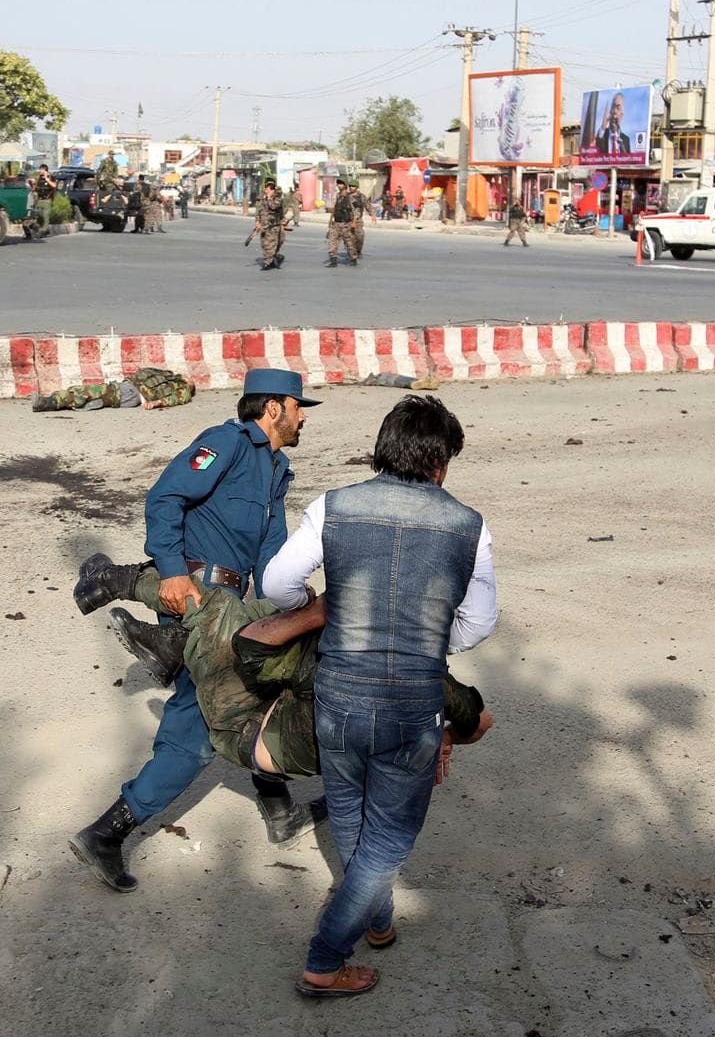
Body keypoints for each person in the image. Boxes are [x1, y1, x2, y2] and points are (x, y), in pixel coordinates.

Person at [261, 395, 498, 998]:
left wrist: (314, 611)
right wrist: (419, 632)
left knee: (350, 816)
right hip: (410, 704)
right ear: (441, 463)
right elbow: (477, 625)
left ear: (382, 450)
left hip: (338, 694)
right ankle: (323, 959)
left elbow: (278, 583)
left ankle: (379, 918)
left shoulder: (333, 507)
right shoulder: (470, 525)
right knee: (388, 841)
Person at [67, 368, 322, 894]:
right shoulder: (225, 443)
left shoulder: (276, 466)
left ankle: (278, 813)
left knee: (265, 688)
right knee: (196, 729)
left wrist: (291, 603)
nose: (303, 417)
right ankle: (107, 832)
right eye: (299, 407)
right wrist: (171, 569)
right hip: (196, 596)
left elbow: (271, 552)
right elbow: (164, 498)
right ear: (273, 407)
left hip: (235, 603)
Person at [104, 569, 494, 778]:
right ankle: (175, 646)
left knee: (221, 606)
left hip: (241, 724)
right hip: (288, 722)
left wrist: (319, 610)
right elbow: (481, 723)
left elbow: (250, 645)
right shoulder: (429, 680)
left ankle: (118, 581)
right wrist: (444, 731)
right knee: (266, 612)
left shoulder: (339, 666)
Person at [31, 367, 196, 412]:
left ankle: (50, 402)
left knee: (90, 391)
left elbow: (175, 400)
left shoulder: (183, 389)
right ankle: (93, 403)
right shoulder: (169, 376)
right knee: (96, 393)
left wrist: (156, 403)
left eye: (191, 380)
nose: (188, 377)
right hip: (129, 388)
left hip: (133, 393)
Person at [252, 179, 286, 271]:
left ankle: (268, 262)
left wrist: (270, 198)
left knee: (271, 244)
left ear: (272, 190)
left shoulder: (277, 198)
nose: (265, 190)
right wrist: (257, 221)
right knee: (264, 244)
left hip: (274, 225)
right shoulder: (262, 197)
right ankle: (273, 259)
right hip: (264, 224)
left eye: (267, 189)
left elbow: (273, 207)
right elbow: (258, 209)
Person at [326, 177, 353, 267]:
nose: (339, 185)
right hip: (336, 223)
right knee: (332, 242)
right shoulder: (338, 195)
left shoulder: (350, 197)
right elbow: (334, 210)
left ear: (345, 185)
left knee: (349, 243)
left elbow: (354, 210)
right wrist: (330, 224)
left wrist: (354, 222)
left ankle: (353, 258)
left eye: (341, 184)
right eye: (338, 184)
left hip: (346, 223)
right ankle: (333, 260)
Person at [348, 179, 375, 263]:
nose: (351, 188)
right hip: (347, 220)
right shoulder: (346, 196)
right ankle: (352, 254)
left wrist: (372, 215)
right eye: (350, 186)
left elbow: (368, 205)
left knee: (360, 237)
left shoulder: (361, 196)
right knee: (349, 239)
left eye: (353, 186)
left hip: (358, 221)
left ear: (357, 187)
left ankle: (358, 251)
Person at [28, 164, 58, 239]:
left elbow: (54, 186)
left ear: (45, 170)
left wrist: (47, 180)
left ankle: (43, 231)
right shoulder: (39, 178)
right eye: (40, 169)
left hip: (47, 200)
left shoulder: (51, 177)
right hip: (39, 200)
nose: (40, 171)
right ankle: (43, 230)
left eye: (42, 170)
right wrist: (32, 184)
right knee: (39, 216)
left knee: (45, 216)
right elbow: (34, 189)